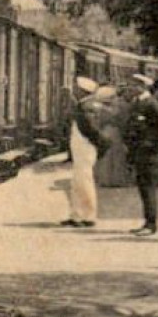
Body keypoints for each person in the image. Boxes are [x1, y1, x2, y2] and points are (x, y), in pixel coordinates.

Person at [122, 73, 158, 236]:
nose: (130, 87)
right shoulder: (138, 102)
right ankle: (147, 222)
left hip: (149, 154)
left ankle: (151, 224)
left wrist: (156, 145)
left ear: (142, 86)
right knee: (143, 188)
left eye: (133, 85)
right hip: (139, 152)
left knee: (148, 189)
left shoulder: (151, 104)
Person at [60, 76, 102, 227]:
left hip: (85, 148)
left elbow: (91, 130)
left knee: (84, 182)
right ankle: (77, 215)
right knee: (78, 182)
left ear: (82, 91)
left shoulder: (86, 107)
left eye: (76, 89)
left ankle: (88, 216)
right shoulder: (84, 105)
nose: (74, 91)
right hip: (81, 148)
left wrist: (98, 144)